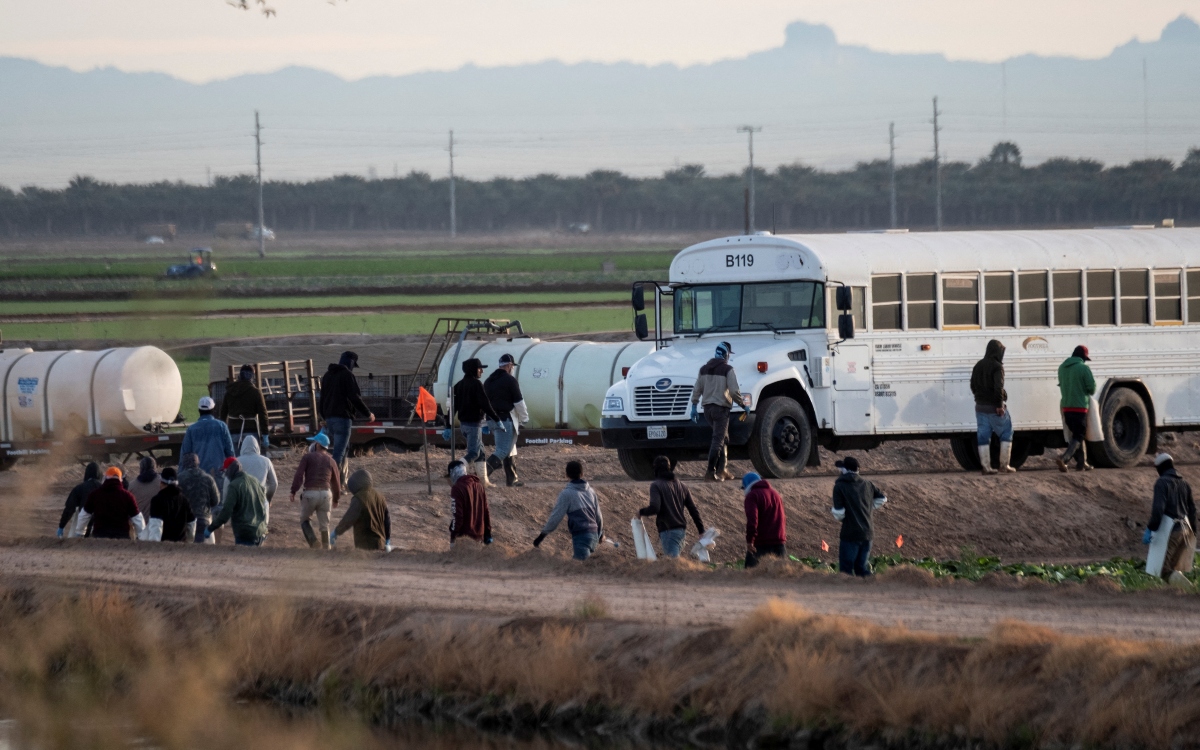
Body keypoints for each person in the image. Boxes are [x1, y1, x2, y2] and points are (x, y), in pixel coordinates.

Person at [690, 341, 746, 482]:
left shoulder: (703, 369)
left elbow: (697, 389)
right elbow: (733, 390)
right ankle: (711, 472)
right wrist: (743, 404)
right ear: (726, 355)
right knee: (718, 440)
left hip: (707, 410)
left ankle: (723, 470)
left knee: (723, 437)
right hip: (720, 409)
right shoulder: (728, 369)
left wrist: (693, 407)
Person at [319, 351, 375, 487]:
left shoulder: (327, 376)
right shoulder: (347, 375)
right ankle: (327, 483)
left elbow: (321, 398)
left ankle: (342, 483)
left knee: (342, 451)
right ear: (350, 363)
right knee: (338, 454)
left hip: (329, 419)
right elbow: (355, 397)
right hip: (343, 419)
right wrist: (368, 414)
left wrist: (323, 416)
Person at [534, 460, 605, 561]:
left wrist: (541, 536)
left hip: (581, 536)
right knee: (588, 567)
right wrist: (600, 533)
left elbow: (556, 517)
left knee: (580, 568)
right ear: (582, 474)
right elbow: (599, 516)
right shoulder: (591, 491)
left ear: (566, 475)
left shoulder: (566, 494)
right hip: (594, 536)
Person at [830, 456, 887, 577]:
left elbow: (839, 513)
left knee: (846, 571)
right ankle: (870, 591)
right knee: (861, 569)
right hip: (868, 533)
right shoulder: (867, 484)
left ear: (844, 470)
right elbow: (883, 498)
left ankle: (847, 594)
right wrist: (866, 507)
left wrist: (840, 515)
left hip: (850, 534)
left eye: (841, 468)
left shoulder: (839, 486)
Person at [637, 455, 704, 558]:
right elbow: (693, 510)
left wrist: (640, 512)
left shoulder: (656, 485)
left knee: (673, 566)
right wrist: (701, 530)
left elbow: (655, 508)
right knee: (673, 564)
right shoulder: (682, 486)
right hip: (681, 532)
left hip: (669, 532)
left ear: (655, 469)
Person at [1144, 453, 1197, 580]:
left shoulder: (1161, 483)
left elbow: (1158, 509)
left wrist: (1151, 528)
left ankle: (1187, 593)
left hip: (1171, 531)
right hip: (1185, 530)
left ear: (1160, 467)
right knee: (1173, 567)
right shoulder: (1184, 483)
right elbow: (1192, 510)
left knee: (1162, 569)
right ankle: (1174, 595)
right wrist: (1193, 532)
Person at [970, 339, 1015, 475]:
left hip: (980, 407)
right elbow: (998, 388)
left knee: (983, 436)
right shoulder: (997, 367)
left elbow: (972, 386)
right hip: (994, 407)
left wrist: (979, 398)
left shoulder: (978, 365)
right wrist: (999, 405)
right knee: (1007, 431)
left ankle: (986, 467)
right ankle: (1004, 465)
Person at [452, 358, 500, 486]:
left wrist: (448, 423)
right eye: (480, 368)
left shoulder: (459, 385)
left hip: (464, 425)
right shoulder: (476, 384)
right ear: (474, 369)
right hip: (473, 424)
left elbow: (453, 406)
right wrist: (496, 419)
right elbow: (485, 404)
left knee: (481, 452)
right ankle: (455, 470)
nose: (482, 371)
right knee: (474, 453)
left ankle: (484, 481)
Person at [484, 353, 530, 487]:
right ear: (509, 365)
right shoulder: (510, 380)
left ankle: (512, 479)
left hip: (492, 419)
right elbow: (518, 401)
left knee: (509, 448)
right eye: (512, 366)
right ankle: (480, 477)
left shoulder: (488, 381)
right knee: (503, 450)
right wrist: (525, 417)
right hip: (505, 419)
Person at [289, 431, 341, 549]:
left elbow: (299, 475)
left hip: (310, 493)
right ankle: (326, 547)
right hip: (326, 494)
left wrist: (293, 491)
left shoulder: (307, 457)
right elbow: (336, 482)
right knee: (324, 525)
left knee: (304, 520)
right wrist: (336, 498)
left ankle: (313, 542)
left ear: (317, 444)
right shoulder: (331, 461)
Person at [205, 458, 268, 547]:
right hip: (260, 531)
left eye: (225, 471)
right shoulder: (255, 481)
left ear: (231, 470)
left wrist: (210, 528)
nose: (225, 475)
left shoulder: (234, 486)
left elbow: (226, 512)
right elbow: (263, 504)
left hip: (245, 534)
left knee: (245, 560)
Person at [75, 466, 146, 540]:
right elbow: (137, 518)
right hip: (121, 539)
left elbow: (84, 515)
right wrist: (142, 537)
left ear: (105, 477)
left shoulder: (95, 494)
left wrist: (79, 533)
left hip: (99, 537)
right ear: (120, 479)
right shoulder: (128, 496)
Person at [1056, 345, 1096, 472]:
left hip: (1066, 407)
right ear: (1082, 357)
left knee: (1077, 435)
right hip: (1080, 407)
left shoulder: (1062, 368)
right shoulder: (1084, 368)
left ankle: (1082, 464)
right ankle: (1064, 458)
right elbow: (1092, 389)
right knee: (1079, 435)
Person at [331, 469, 391, 551]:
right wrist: (387, 539)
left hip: (366, 544)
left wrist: (336, 532)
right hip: (381, 542)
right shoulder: (380, 497)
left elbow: (349, 518)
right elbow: (387, 520)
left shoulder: (359, 498)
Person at [180, 396, 236, 478]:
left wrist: (180, 477)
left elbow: (185, 455)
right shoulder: (222, 426)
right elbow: (230, 453)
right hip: (219, 474)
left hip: (198, 476)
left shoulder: (191, 429)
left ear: (199, 410)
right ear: (213, 409)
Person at [223, 435, 278, 515]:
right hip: (260, 502)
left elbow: (227, 483)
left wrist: (226, 504)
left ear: (242, 447)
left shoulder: (236, 462)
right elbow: (274, 484)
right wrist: (268, 498)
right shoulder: (266, 461)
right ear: (257, 447)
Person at [742, 471, 787, 568]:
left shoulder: (752, 496)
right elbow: (782, 517)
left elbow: (752, 520)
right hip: (779, 542)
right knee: (781, 576)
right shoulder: (775, 494)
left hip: (761, 544)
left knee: (749, 577)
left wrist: (750, 541)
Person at [220, 364, 270, 444]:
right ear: (252, 376)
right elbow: (263, 414)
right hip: (251, 431)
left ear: (240, 375)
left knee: (235, 456)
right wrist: (265, 433)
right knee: (251, 456)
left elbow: (223, 413)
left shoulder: (229, 391)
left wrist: (222, 432)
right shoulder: (256, 392)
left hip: (233, 430)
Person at [177, 452, 221, 543]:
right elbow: (216, 501)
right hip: (203, 519)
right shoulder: (208, 478)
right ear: (198, 463)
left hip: (185, 521)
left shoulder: (179, 479)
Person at [447, 459, 492, 546]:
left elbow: (458, 516)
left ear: (453, 473)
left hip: (465, 538)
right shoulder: (478, 485)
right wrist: (487, 532)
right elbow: (486, 511)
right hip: (479, 536)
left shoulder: (457, 488)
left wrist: (453, 536)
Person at [146, 467, 196, 543]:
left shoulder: (157, 500)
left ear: (162, 482)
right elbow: (191, 523)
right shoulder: (184, 500)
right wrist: (189, 542)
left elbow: (156, 526)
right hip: (181, 544)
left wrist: (154, 546)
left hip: (164, 545)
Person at [57, 462, 102, 538]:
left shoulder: (79, 488)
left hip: (83, 524)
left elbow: (69, 509)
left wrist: (62, 526)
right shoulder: (105, 488)